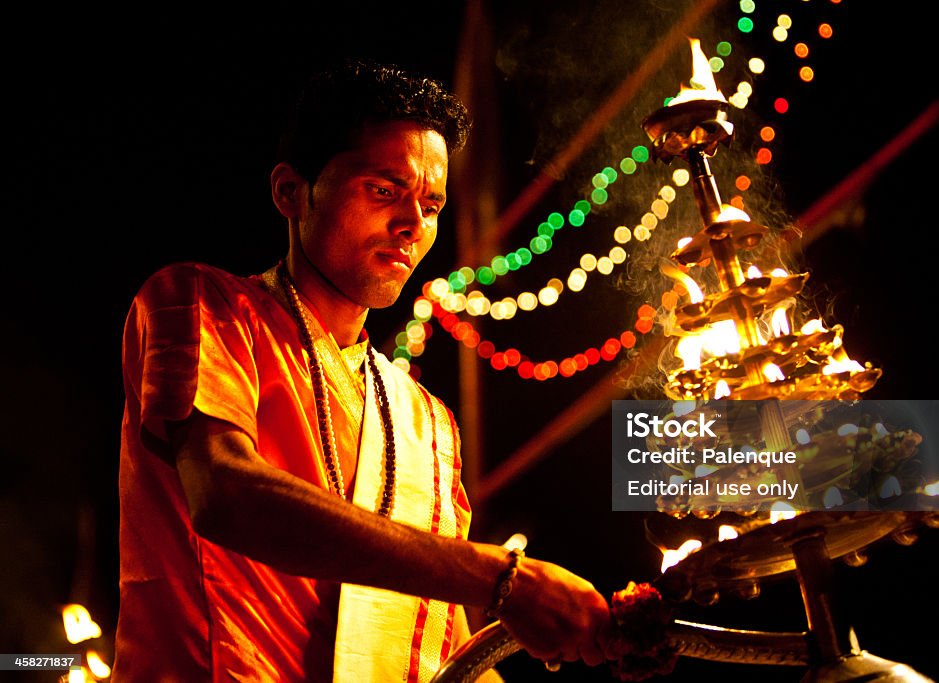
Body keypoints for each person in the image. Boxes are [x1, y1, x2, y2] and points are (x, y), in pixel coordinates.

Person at [113, 60, 611, 681]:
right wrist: (502, 578)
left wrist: (598, 635)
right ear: (290, 192)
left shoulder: (429, 421)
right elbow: (224, 493)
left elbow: (441, 645)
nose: (412, 225)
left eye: (431, 205)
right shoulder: (203, 304)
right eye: (383, 190)